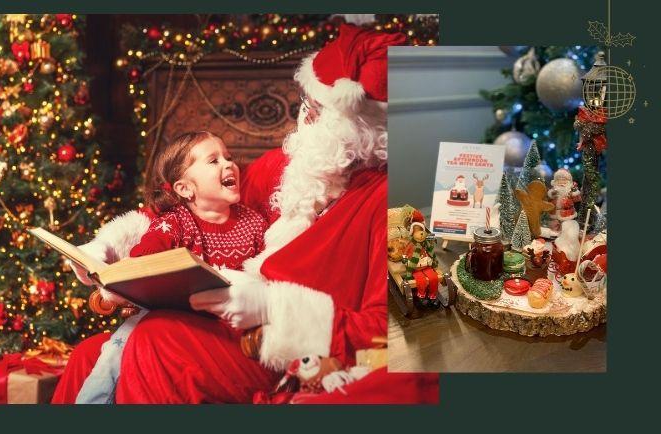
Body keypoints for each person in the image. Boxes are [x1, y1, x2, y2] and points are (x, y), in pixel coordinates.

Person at [52, 23, 438, 404]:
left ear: (361, 126)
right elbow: (191, 206)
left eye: (316, 109)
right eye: (306, 102)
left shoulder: (400, 206)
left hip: (288, 352)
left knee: (156, 340)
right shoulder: (294, 166)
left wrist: (273, 307)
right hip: (232, 328)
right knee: (88, 356)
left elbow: (403, 333)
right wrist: (108, 246)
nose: (303, 116)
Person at [71, 131, 268, 403]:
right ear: (185, 189)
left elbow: (264, 273)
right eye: (214, 161)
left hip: (222, 326)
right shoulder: (175, 221)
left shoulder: (254, 223)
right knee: (119, 345)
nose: (228, 164)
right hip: (171, 318)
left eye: (229, 157)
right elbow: (145, 258)